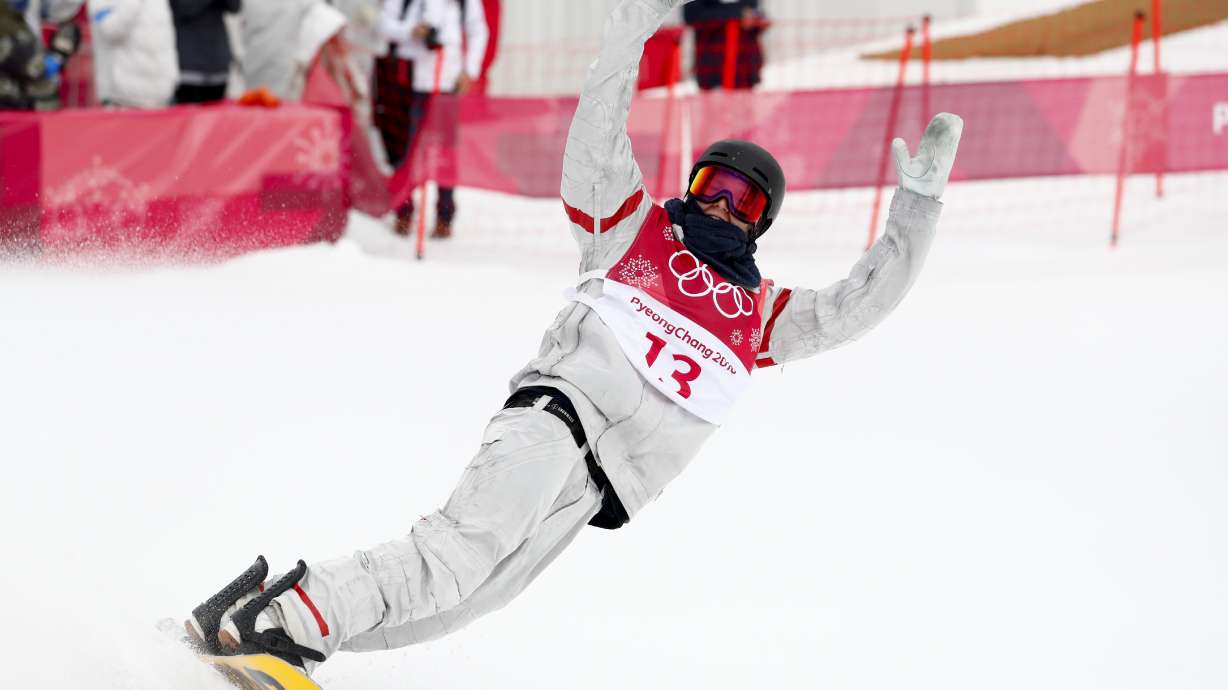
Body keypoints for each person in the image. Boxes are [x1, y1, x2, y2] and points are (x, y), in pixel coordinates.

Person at [184, 0, 964, 675]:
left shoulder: (758, 313)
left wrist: (915, 214)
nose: (722, 206)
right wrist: (628, 36)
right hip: (555, 424)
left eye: (744, 199)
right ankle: (283, 621)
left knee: (457, 606)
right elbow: (596, 143)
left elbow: (855, 308)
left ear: (761, 221)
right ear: (689, 188)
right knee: (451, 560)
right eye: (711, 186)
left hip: (594, 486)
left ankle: (270, 624)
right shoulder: (635, 231)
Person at [375, 0, 487, 238]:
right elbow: (383, 23)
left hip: (447, 80)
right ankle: (403, 209)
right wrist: (410, 30)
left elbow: (478, 30)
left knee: (445, 152)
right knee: (405, 149)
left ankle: (444, 216)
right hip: (407, 80)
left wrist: (470, 70)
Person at [87, 0, 178, 107]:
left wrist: (170, 79)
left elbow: (165, 40)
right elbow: (110, 30)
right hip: (121, 98)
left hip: (161, 95)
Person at [683, 0, 766, 90]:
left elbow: (757, 12)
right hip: (712, 72)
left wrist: (756, 19)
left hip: (746, 72)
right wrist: (740, 13)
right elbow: (692, 14)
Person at [169, 0, 239, 103]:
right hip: (188, 69)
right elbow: (184, 7)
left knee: (216, 118)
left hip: (218, 67)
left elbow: (235, 7)